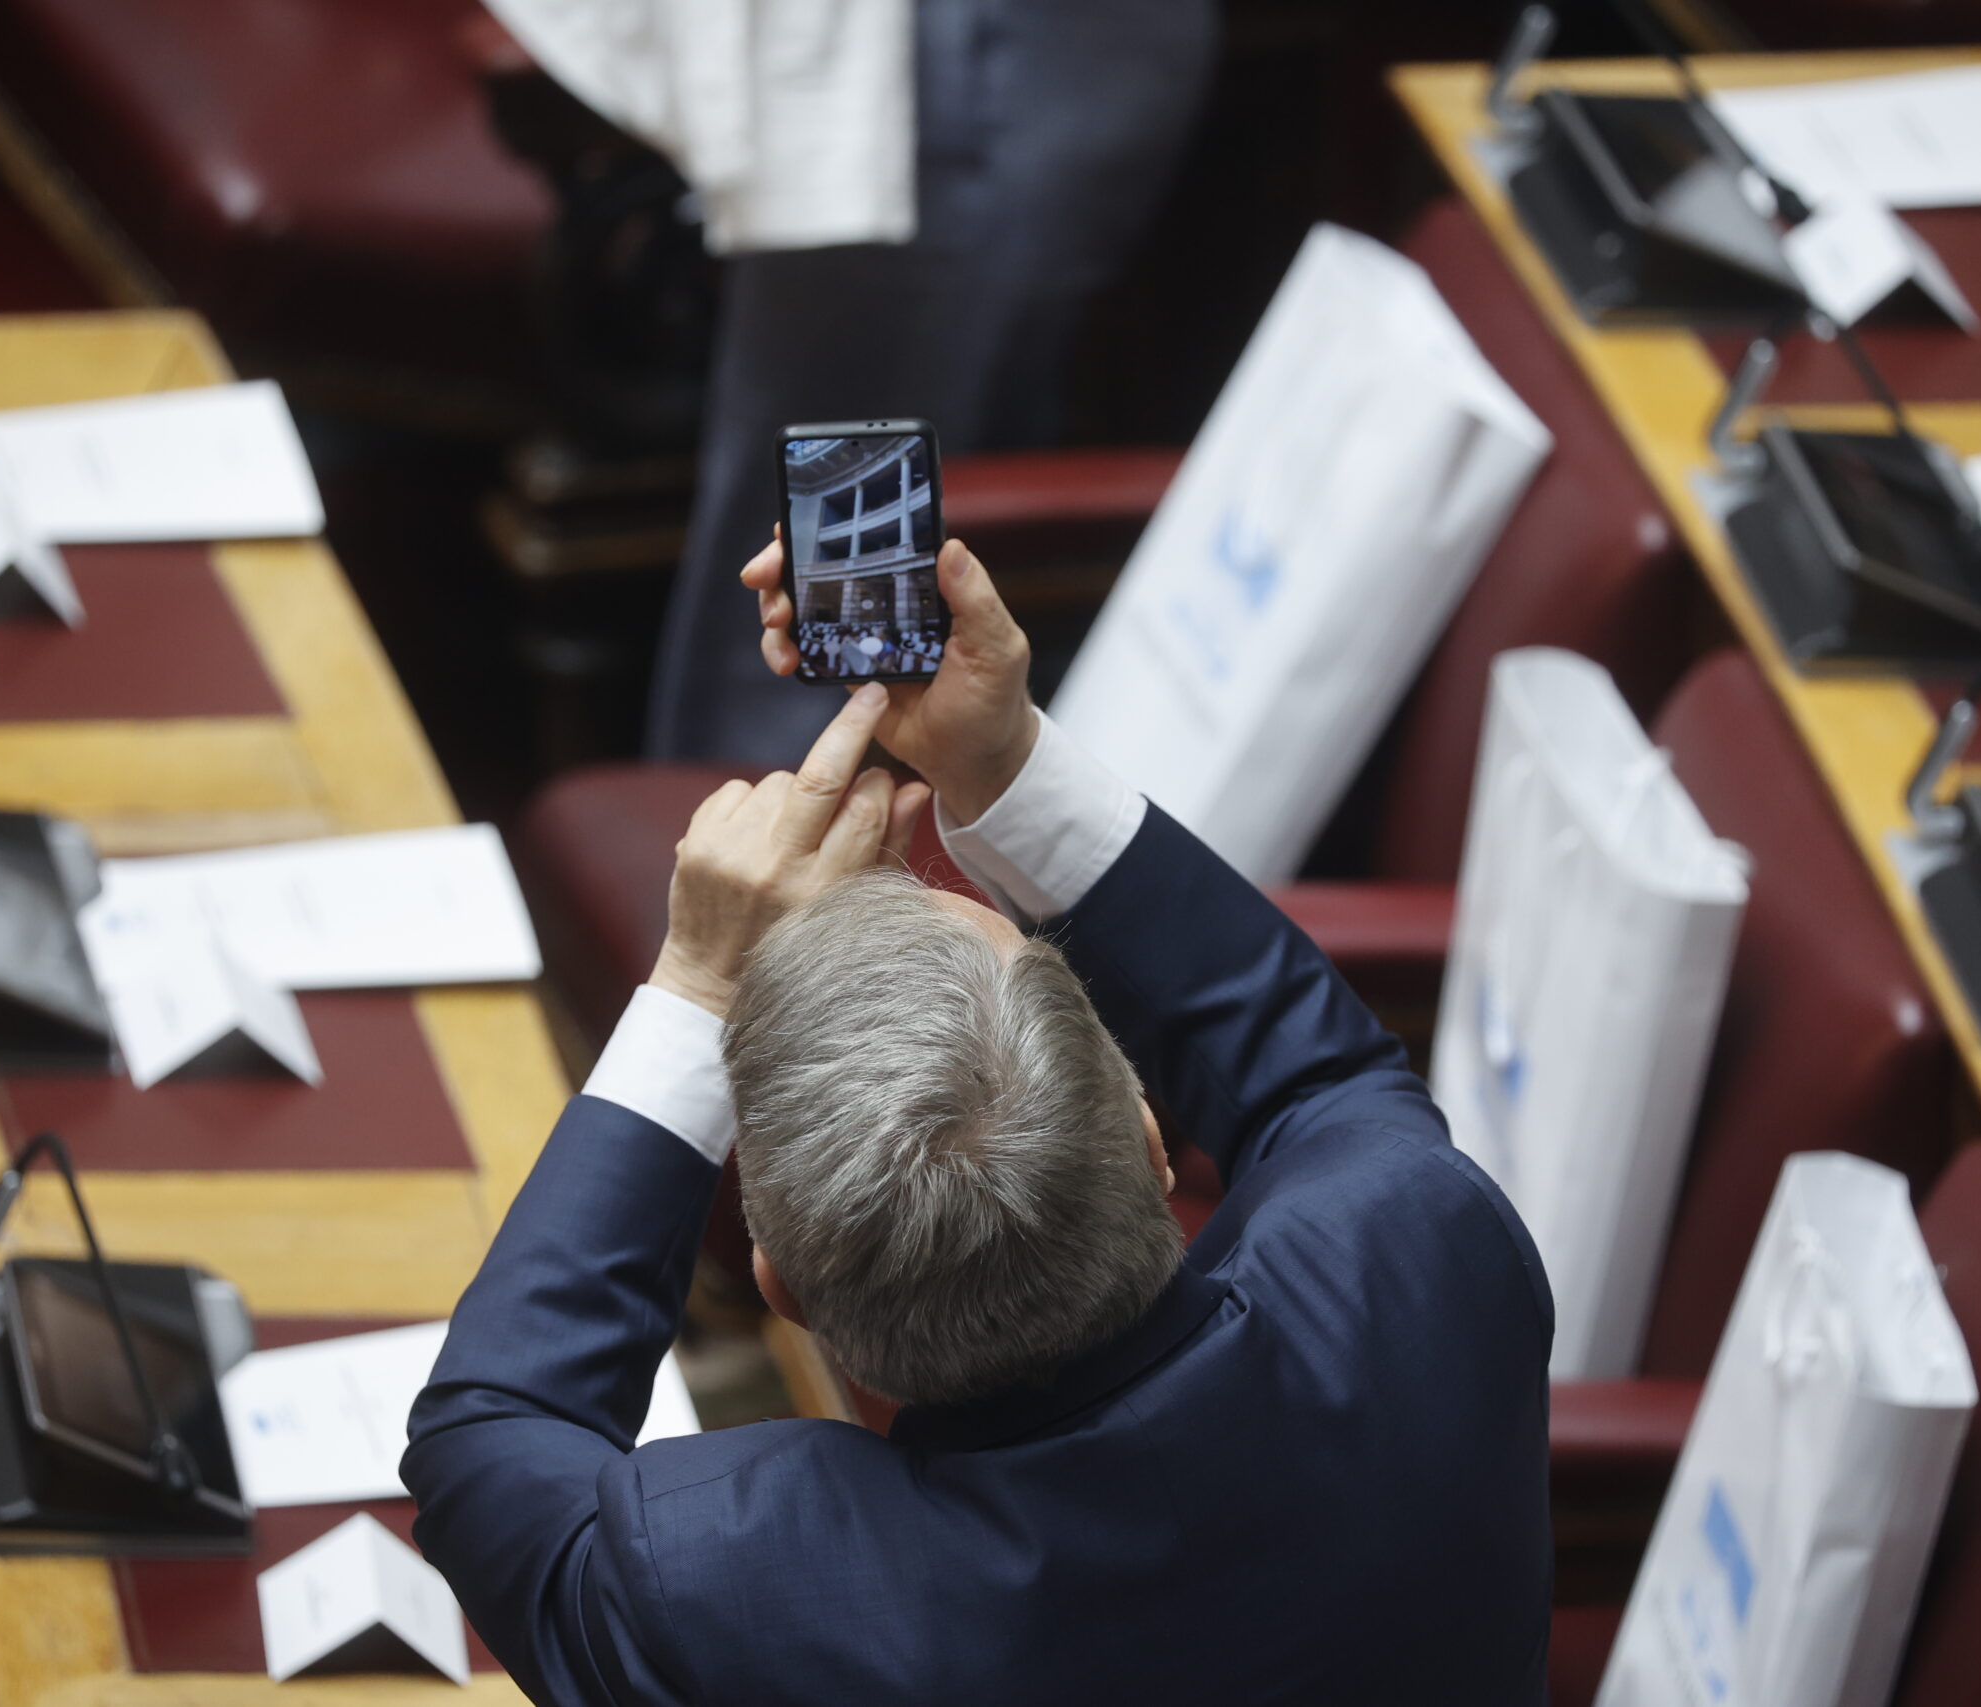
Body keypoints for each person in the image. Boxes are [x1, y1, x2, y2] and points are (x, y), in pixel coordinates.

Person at [404, 535, 1554, 1701]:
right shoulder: (1424, 1262)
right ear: (1148, 1141)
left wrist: (702, 979)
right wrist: (1004, 762)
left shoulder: (739, 1596)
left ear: (782, 1288)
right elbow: (1324, 1083)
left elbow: (486, 1446)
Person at [642, 0, 1223, 764]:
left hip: (966, 62)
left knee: (843, 602)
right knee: (831, 568)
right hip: (970, 67)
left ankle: (781, 819)